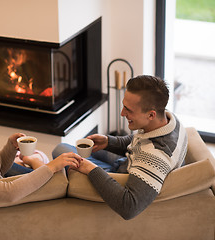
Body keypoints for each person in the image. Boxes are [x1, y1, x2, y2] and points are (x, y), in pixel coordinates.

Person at [53, 75, 188, 220]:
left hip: (123, 175)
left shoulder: (155, 157)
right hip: (129, 162)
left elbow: (129, 207)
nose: (122, 113)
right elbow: (140, 141)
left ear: (151, 115)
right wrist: (108, 142)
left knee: (61, 150)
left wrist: (91, 170)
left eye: (129, 110)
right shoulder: (169, 121)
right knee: (72, 149)